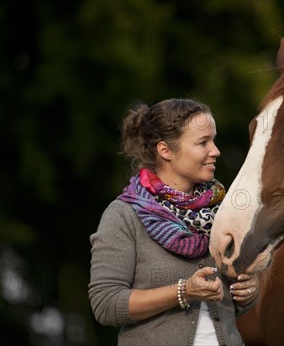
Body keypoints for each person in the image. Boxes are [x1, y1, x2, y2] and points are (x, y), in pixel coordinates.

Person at [89, 98, 259, 345]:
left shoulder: (224, 211)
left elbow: (235, 301)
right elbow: (106, 304)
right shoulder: (124, 215)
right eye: (203, 142)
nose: (215, 151)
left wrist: (249, 292)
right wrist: (184, 291)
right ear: (165, 150)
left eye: (213, 140)